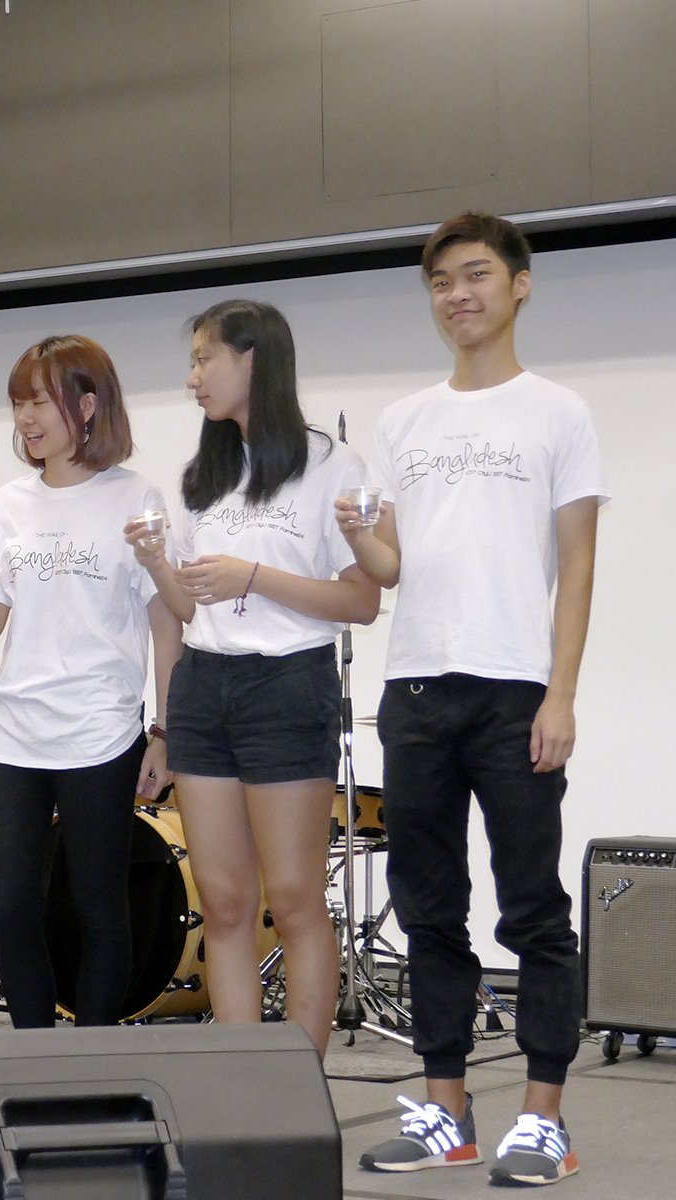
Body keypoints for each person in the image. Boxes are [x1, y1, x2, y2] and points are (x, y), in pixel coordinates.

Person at [346, 213, 607, 1187]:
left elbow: (577, 565)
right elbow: (388, 568)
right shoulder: (403, 421)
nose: (456, 295)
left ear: (518, 285)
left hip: (514, 692)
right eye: (440, 282)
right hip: (415, 688)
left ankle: (543, 1118)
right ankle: (444, 1112)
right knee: (428, 909)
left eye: (475, 275)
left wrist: (559, 694)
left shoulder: (558, 412)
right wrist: (356, 530)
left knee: (533, 910)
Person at [126, 300, 379, 1058]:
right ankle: (241, 1082)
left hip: (288, 686)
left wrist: (255, 576)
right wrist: (157, 563)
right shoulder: (206, 476)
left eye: (205, 358)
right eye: (193, 361)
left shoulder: (331, 465)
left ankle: (299, 1085)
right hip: (205, 687)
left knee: (295, 901)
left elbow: (361, 602)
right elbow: (186, 610)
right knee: (226, 903)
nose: (193, 377)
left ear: (253, 359)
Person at [0, 334, 182, 1029]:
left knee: (98, 905)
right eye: (18, 403)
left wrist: (165, 732)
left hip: (101, 731)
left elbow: (167, 625)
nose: (26, 418)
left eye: (40, 401)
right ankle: (33, 1052)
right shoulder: (9, 503)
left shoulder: (134, 496)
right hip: (13, 733)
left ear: (88, 404)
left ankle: (93, 1054)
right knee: (14, 910)